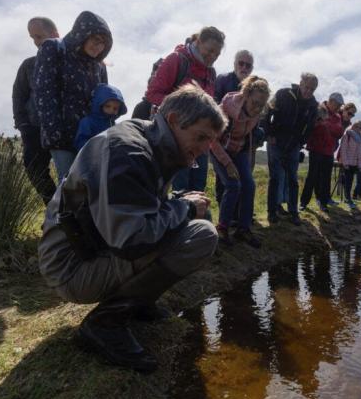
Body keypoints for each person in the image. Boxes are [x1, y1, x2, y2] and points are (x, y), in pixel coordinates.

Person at [38, 85, 225, 372]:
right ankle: (105, 323)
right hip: (71, 268)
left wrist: (178, 203)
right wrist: (184, 208)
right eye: (200, 137)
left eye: (209, 142)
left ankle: (137, 301)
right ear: (174, 120)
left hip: (94, 250)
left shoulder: (153, 143)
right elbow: (132, 240)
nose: (203, 150)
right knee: (201, 235)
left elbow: (140, 209)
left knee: (194, 218)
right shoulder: (128, 150)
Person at [145, 26, 225, 193]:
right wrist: (184, 111)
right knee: (179, 186)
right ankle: (177, 217)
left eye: (216, 54)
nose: (212, 57)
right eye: (209, 51)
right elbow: (152, 93)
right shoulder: (177, 60)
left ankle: (194, 217)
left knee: (198, 186)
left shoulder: (211, 73)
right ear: (198, 42)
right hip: (176, 136)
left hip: (201, 137)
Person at [34, 11, 112, 182]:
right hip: (62, 135)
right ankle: (59, 209)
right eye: (95, 40)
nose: (99, 47)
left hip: (90, 136)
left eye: (103, 43)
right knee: (71, 186)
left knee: (93, 186)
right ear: (82, 35)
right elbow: (44, 92)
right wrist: (54, 133)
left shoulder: (99, 65)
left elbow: (102, 100)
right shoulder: (53, 48)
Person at [210, 76, 270, 248]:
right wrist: (227, 164)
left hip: (240, 150)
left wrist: (247, 159)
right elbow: (212, 140)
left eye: (261, 105)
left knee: (249, 186)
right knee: (233, 185)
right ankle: (222, 228)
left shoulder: (256, 113)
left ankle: (243, 229)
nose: (257, 108)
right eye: (255, 102)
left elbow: (249, 136)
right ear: (246, 95)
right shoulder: (227, 108)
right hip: (219, 148)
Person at [12, 17, 59, 204]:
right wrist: (23, 124)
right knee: (34, 170)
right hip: (34, 129)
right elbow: (18, 95)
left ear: (55, 34)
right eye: (32, 37)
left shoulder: (70, 61)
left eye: (39, 36)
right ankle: (56, 211)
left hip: (66, 128)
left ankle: (75, 219)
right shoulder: (28, 65)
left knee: (73, 173)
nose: (36, 42)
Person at [265, 73, 319, 225]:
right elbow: (267, 112)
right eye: (307, 87)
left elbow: (309, 128)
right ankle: (272, 212)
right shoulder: (283, 94)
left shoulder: (313, 105)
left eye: (312, 89)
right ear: (300, 83)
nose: (308, 91)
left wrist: (301, 142)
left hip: (294, 145)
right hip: (275, 142)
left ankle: (293, 212)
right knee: (275, 178)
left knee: (293, 179)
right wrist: (269, 134)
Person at [213, 50, 255, 204]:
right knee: (223, 176)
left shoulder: (254, 86)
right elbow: (214, 102)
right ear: (234, 63)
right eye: (241, 63)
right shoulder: (223, 79)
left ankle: (237, 211)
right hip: (221, 136)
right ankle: (223, 207)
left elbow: (257, 109)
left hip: (244, 141)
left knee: (243, 176)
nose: (244, 67)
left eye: (248, 65)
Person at [73, 84, 127, 151]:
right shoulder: (87, 122)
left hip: (108, 158)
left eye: (115, 108)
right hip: (90, 158)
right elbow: (80, 142)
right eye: (108, 106)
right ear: (99, 104)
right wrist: (96, 149)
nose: (111, 110)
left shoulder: (114, 125)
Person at [337, 121, 361, 208]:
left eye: (360, 127)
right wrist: (345, 163)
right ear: (352, 126)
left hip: (354, 163)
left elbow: (360, 153)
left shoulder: (359, 138)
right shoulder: (347, 135)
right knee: (348, 181)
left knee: (350, 180)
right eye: (356, 126)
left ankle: (348, 198)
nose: (358, 129)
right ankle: (348, 199)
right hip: (347, 163)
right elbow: (343, 150)